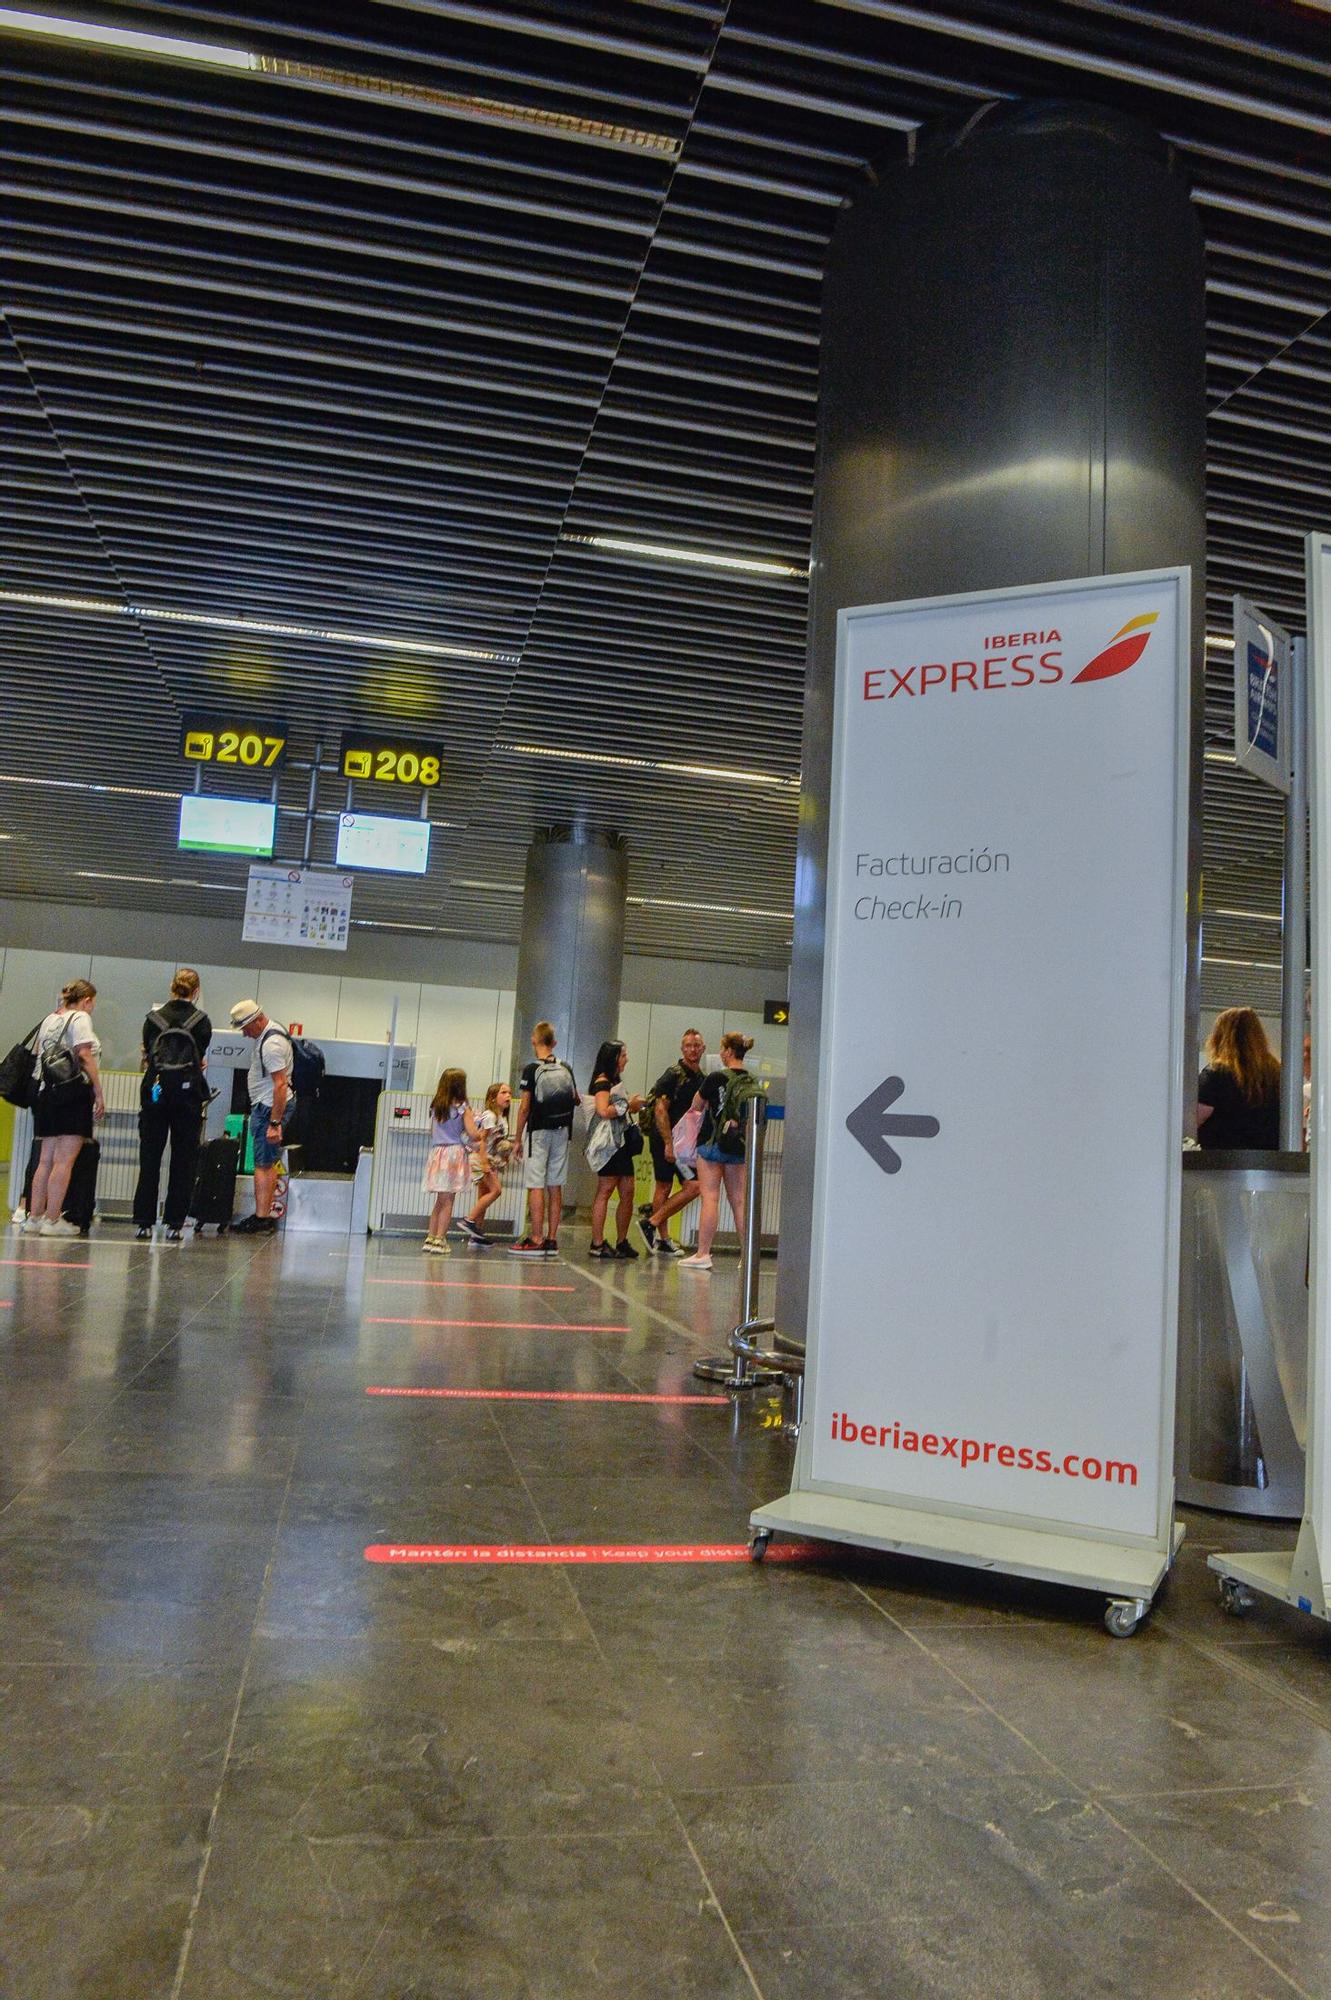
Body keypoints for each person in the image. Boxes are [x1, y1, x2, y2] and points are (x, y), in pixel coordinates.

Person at [132, 968, 212, 1242]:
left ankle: (143, 1222)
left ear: (171, 987)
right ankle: (175, 1223)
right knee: (183, 1160)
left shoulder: (152, 1020)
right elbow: (200, 1056)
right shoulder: (201, 1021)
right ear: (196, 991)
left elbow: (147, 1053)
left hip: (155, 1093)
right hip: (187, 1096)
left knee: (150, 1158)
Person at [26, 978, 104, 1237]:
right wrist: (98, 1091)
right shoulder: (81, 1018)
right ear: (87, 1000)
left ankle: (34, 1217)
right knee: (64, 1161)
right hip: (72, 1095)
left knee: (45, 1159)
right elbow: (84, 1055)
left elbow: (39, 1055)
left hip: (46, 1093)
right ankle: (52, 1219)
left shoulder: (50, 1019)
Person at [680, 1031, 757, 1272]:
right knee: (740, 1201)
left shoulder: (715, 1077)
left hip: (712, 1144)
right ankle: (748, 1256)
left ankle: (703, 1253)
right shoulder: (751, 1080)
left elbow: (696, 1104)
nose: (721, 1053)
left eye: (723, 1049)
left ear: (729, 1051)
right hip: (738, 1146)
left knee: (710, 1197)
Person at [509, 1021, 578, 1258]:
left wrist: (517, 1139)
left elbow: (524, 1108)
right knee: (555, 1185)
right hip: (562, 1132)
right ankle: (552, 1239)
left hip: (538, 1132)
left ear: (534, 1040)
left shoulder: (531, 1070)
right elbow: (576, 1099)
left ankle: (536, 1238)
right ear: (554, 1043)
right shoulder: (566, 1067)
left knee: (536, 1184)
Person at [638, 1028, 707, 1256]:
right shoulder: (673, 1075)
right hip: (666, 1139)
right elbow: (660, 1109)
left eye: (696, 1045)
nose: (692, 1050)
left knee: (688, 1186)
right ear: (682, 1048)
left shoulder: (701, 1079)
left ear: (703, 1048)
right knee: (673, 1185)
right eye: (688, 1046)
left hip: (684, 1143)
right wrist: (668, 1142)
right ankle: (660, 1233)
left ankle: (655, 1228)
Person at [228, 999, 294, 1233]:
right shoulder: (272, 1031)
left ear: (257, 1020)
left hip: (269, 1108)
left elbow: (280, 1085)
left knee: (263, 1164)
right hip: (267, 1106)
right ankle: (263, 1215)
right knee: (266, 1162)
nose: (244, 1033)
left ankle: (262, 1218)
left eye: (245, 1027)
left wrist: (274, 1123)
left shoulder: (271, 1045)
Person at [585, 1040, 646, 1260]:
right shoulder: (602, 1082)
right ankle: (597, 1242)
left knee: (628, 1190)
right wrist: (627, 1105)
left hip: (621, 1142)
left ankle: (622, 1240)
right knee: (606, 1189)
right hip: (609, 1144)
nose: (626, 1059)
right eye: (623, 1055)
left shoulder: (615, 1082)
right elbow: (603, 1110)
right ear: (613, 1058)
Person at [1197, 1008, 1280, 1151]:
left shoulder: (1216, 1073)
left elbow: (1196, 1117)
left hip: (1221, 1159)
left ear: (1219, 1038)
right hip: (1270, 1159)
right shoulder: (1277, 1074)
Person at [423, 1067, 486, 1254]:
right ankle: (440, 1239)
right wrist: (480, 1129)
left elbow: (432, 1131)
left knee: (439, 1200)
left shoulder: (436, 1106)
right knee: (449, 1199)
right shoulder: (462, 1108)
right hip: (454, 1154)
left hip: (437, 1153)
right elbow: (473, 1134)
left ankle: (430, 1237)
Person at [459, 1081, 512, 1247]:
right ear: (493, 1097)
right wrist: (484, 1163)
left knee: (484, 1195)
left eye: (509, 1093)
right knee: (496, 1190)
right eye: (503, 1092)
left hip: (489, 1158)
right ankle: (469, 1220)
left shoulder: (502, 1118)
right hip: (481, 1158)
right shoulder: (490, 1116)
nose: (508, 1096)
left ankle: (476, 1235)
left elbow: (496, 1140)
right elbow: (482, 1140)